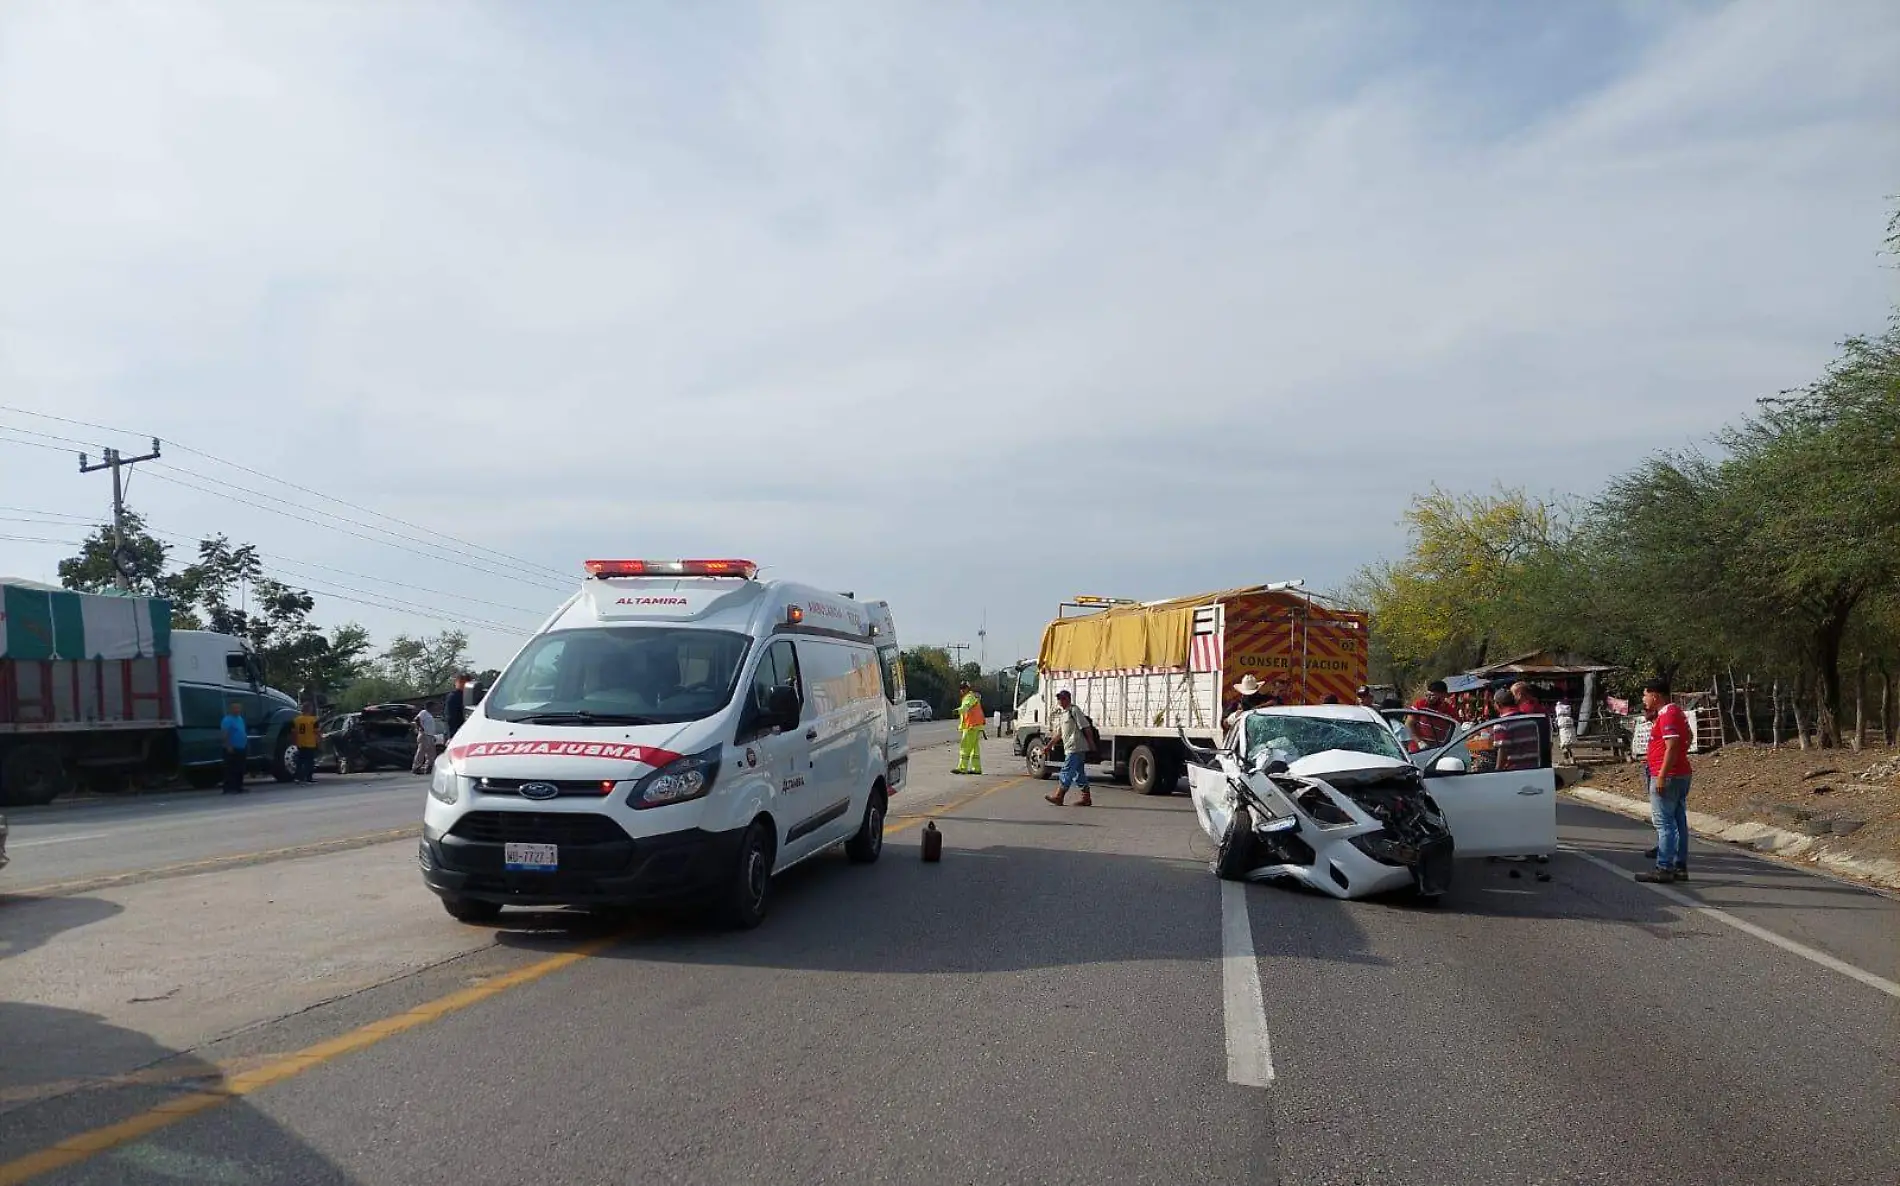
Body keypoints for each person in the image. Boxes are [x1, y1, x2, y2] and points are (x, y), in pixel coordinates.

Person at [1637, 678, 1693, 883]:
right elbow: (1688, 736)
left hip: (1668, 776)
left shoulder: (1668, 714)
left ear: (1655, 695)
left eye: (1645, 694)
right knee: (1678, 822)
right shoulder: (1675, 713)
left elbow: (1673, 745)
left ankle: (1664, 867)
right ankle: (1679, 865)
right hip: (1679, 774)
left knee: (1665, 824)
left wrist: (1662, 774)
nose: (1644, 699)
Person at [1043, 689, 1092, 807]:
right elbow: (1059, 734)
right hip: (1071, 747)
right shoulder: (1063, 714)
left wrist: (1091, 743)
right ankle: (1086, 798)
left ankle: (1059, 796)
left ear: (1068, 699)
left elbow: (1086, 727)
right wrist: (1049, 746)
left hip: (1076, 747)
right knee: (1079, 774)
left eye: (1063, 698)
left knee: (1066, 770)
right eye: (1059, 698)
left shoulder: (1074, 710)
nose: (1060, 700)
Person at [1409, 679, 1458, 749]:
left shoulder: (1450, 711)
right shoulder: (1420, 704)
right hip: (1418, 749)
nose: (1429, 698)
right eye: (1427, 695)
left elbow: (1456, 729)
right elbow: (1408, 725)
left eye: (1433, 696)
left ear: (1443, 696)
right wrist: (1419, 742)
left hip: (1440, 749)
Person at [953, 682, 985, 775]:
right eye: (961, 688)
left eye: (963, 688)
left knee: (965, 747)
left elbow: (965, 707)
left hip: (971, 726)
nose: (962, 690)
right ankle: (976, 768)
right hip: (975, 725)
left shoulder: (969, 697)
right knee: (975, 749)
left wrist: (957, 711)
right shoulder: (972, 696)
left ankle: (962, 768)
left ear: (967, 689)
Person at [220, 701, 249, 795]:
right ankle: (228, 788)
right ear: (231, 709)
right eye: (235, 708)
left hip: (241, 747)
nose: (237, 710)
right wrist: (228, 745)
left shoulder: (240, 719)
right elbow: (225, 734)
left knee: (240, 769)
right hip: (232, 748)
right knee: (230, 769)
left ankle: (239, 786)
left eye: (238, 708)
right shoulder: (227, 720)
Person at [292, 700, 321, 784]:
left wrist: (294, 742)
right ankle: (309, 778)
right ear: (310, 709)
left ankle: (298, 777)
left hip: (300, 743)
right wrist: (319, 741)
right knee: (310, 762)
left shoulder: (296, 720)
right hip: (310, 743)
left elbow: (294, 733)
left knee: (300, 761)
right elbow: (317, 732)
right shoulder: (313, 720)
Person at [412, 701, 441, 775]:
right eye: (434, 706)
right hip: (424, 735)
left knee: (431, 753)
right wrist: (420, 728)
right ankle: (416, 767)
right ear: (430, 706)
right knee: (421, 752)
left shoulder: (430, 715)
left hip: (430, 736)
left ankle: (428, 767)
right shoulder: (423, 712)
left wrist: (433, 736)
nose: (435, 708)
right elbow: (416, 719)